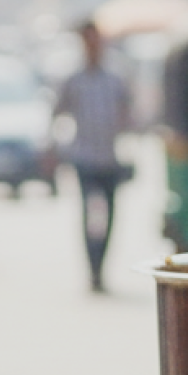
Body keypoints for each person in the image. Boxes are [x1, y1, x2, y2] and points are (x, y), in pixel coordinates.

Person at [57, 21, 134, 291]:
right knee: (91, 216)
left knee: (110, 216)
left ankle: (102, 266)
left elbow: (128, 114)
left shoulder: (115, 77)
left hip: (109, 158)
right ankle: (92, 269)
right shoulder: (73, 78)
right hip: (85, 158)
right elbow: (58, 112)